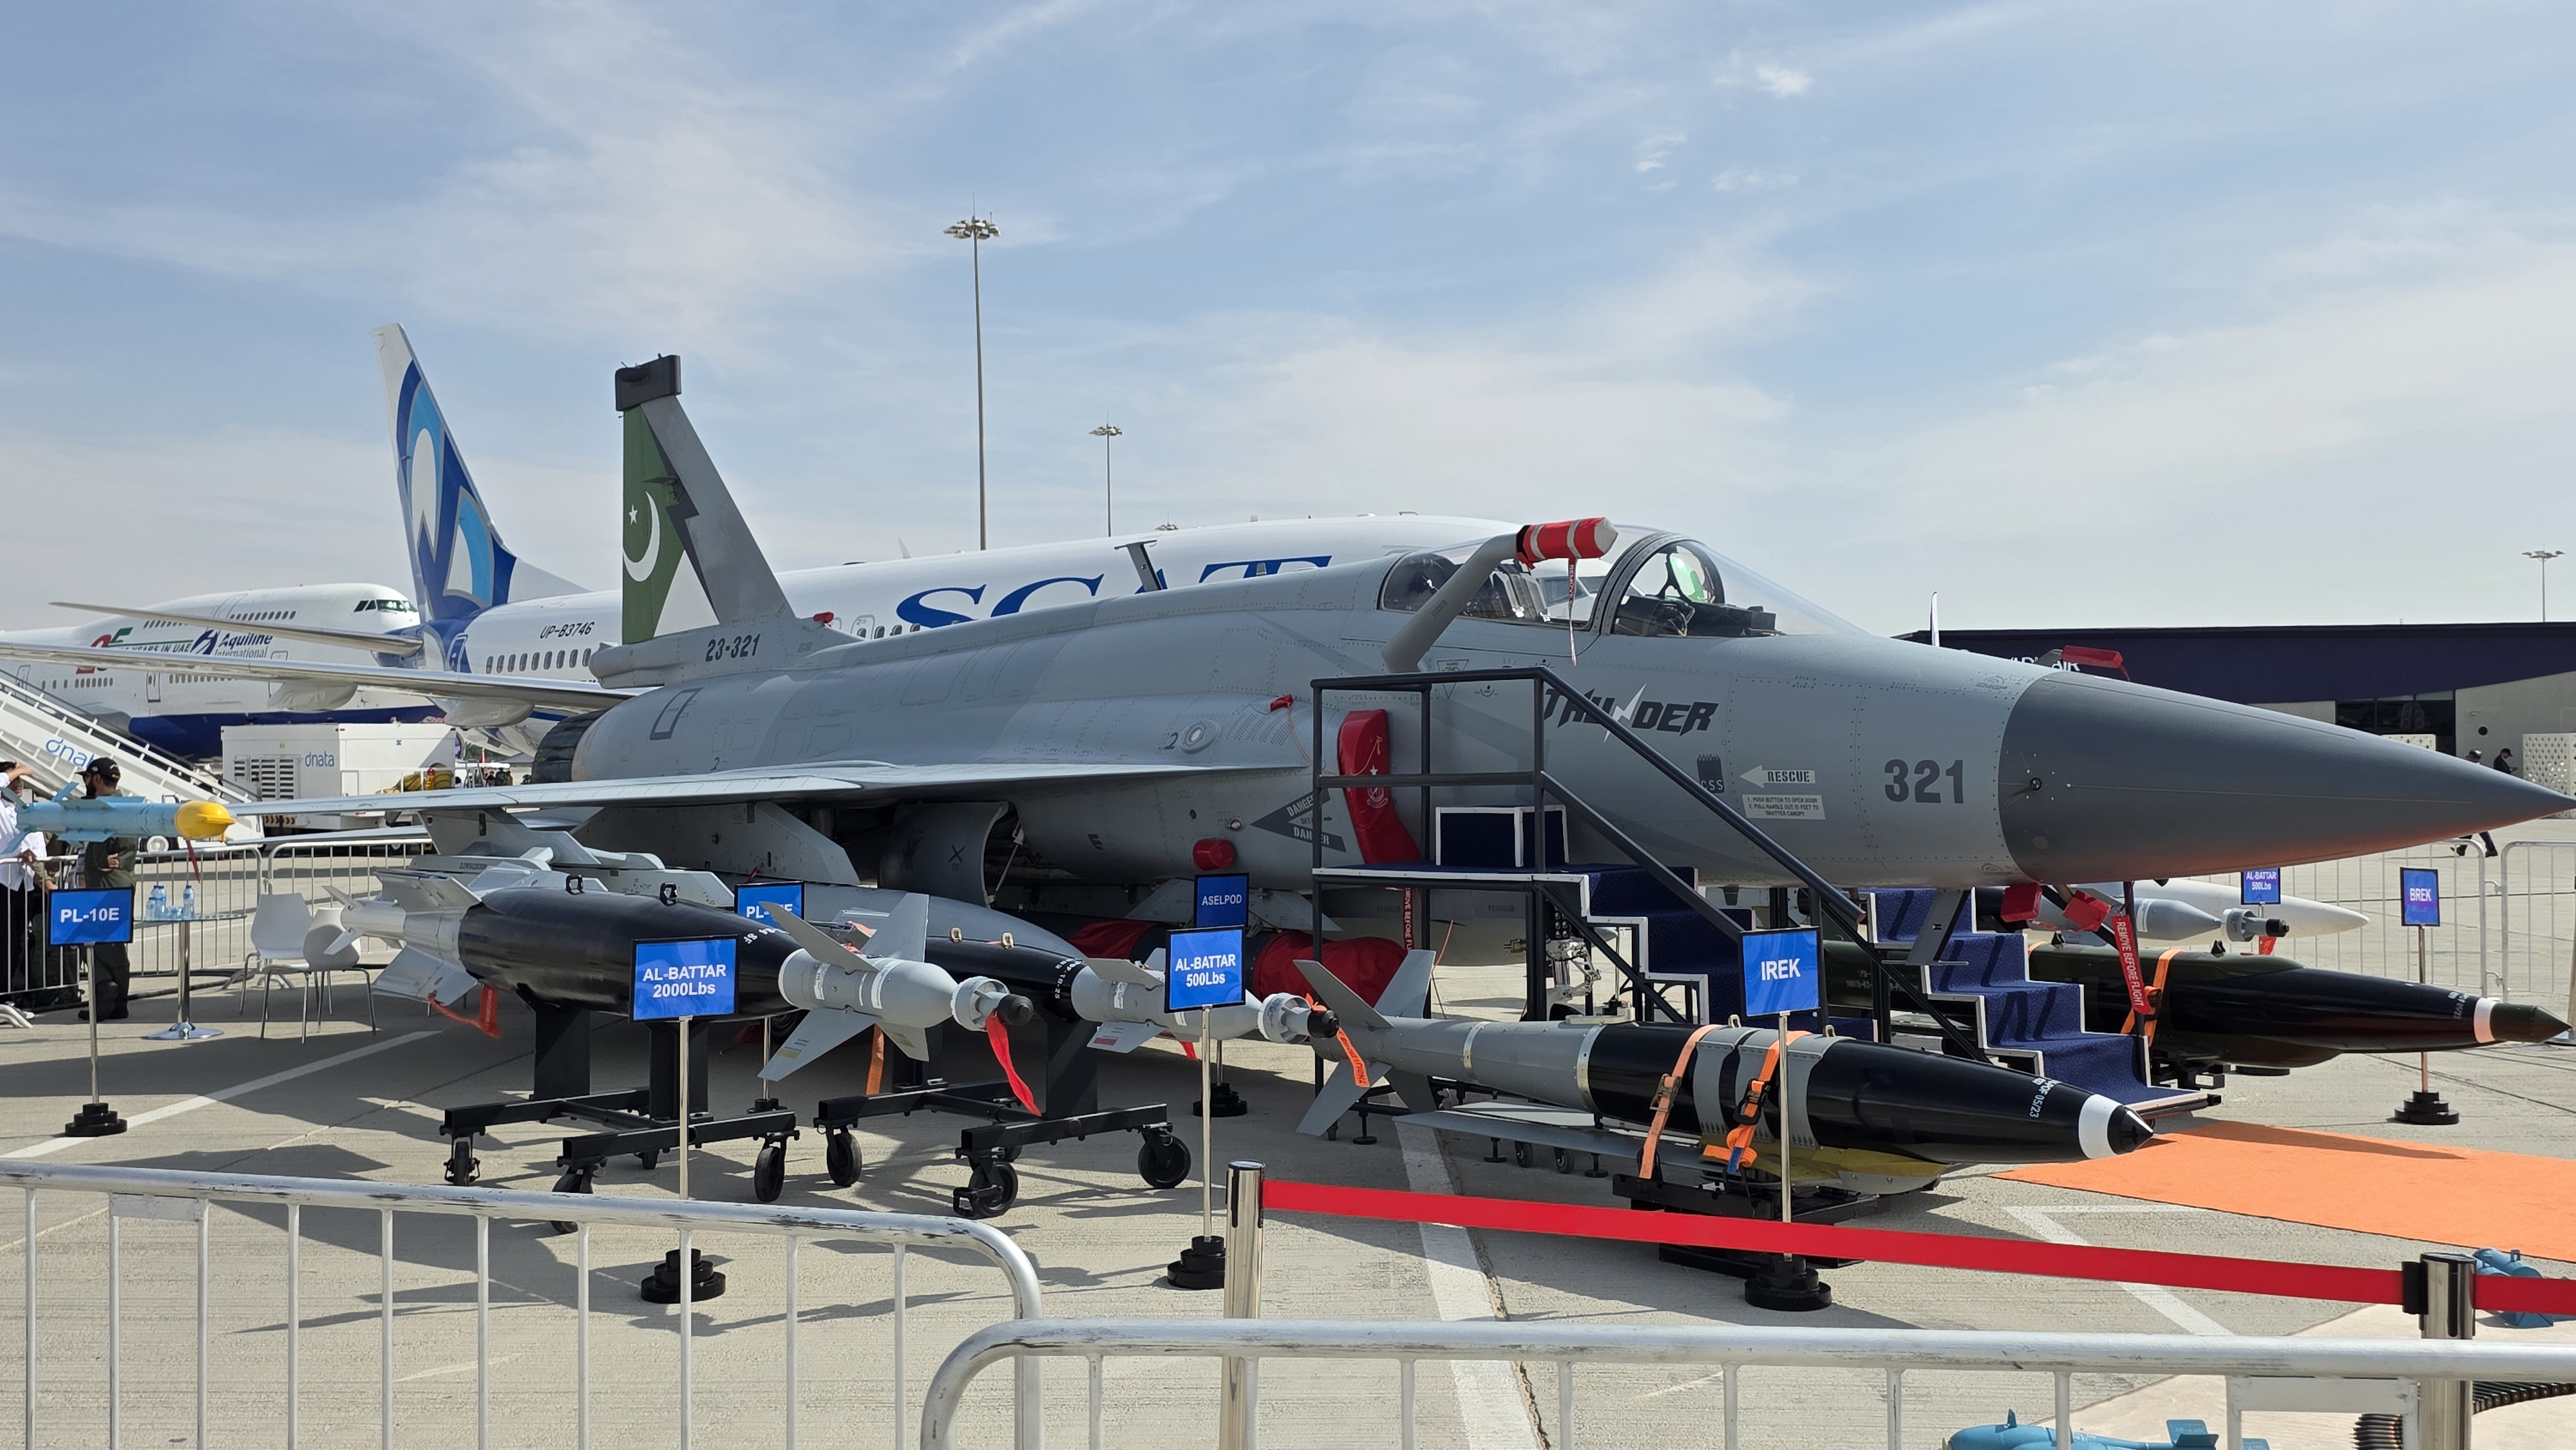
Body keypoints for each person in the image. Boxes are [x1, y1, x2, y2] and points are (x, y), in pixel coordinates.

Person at [73, 758, 138, 1021]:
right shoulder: (127, 807)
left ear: (97, 779)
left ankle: (105, 990)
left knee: (94, 940)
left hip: (105, 885)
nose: (86, 783)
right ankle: (119, 1001)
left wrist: (98, 862)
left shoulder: (103, 809)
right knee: (116, 943)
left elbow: (100, 849)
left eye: (87, 778)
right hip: (124, 881)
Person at [1, 762, 46, 999]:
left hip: (25, 884)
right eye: (12, 780)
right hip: (3, 883)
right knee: (3, 941)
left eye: (20, 781)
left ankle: (9, 993)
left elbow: (40, 849)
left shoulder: (28, 810)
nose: (17, 784)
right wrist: (20, 770)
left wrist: (32, 859)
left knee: (18, 942)